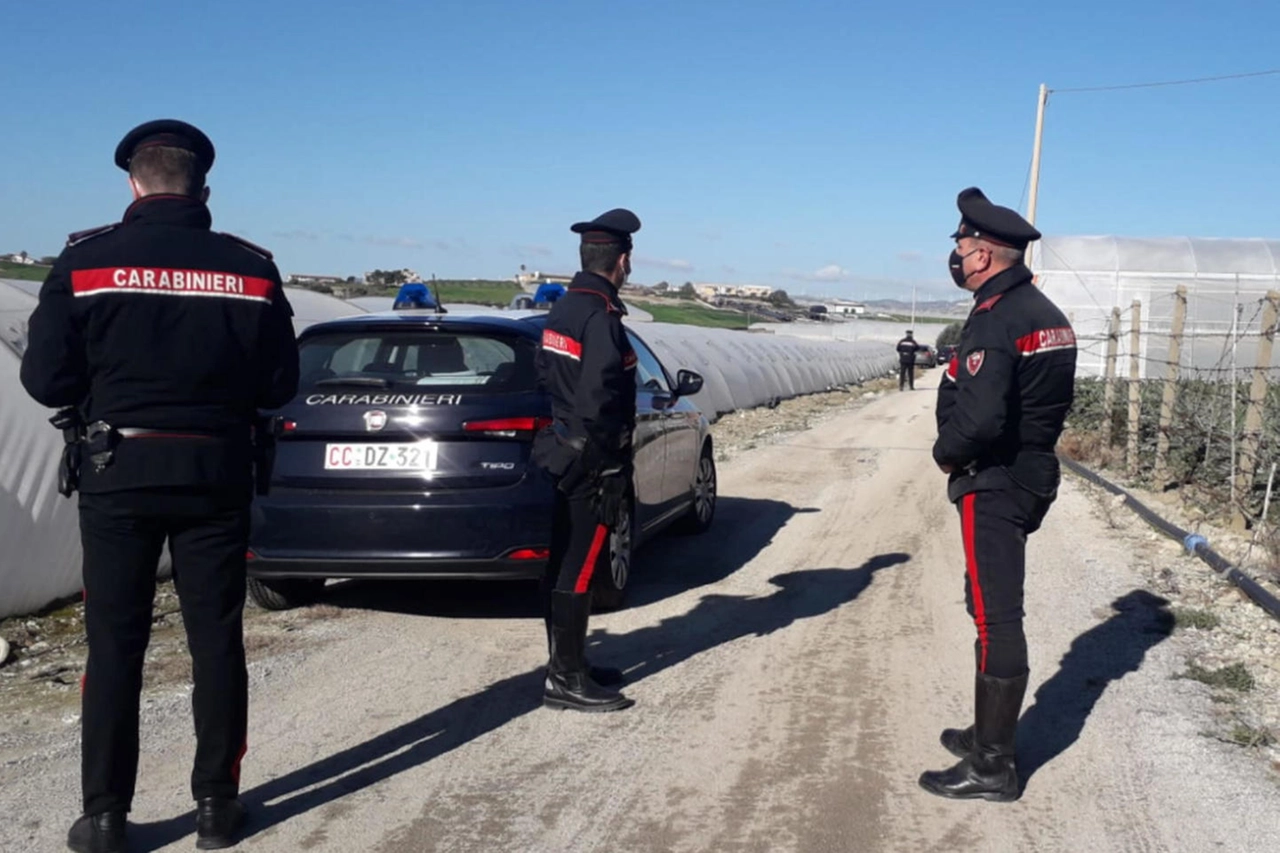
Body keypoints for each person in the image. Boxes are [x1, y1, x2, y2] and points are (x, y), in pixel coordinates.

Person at [19, 119, 300, 852]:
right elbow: (280, 383)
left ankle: (106, 817)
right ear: (203, 187)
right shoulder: (251, 268)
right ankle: (216, 807)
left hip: (118, 475)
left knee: (115, 643)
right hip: (216, 475)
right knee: (216, 638)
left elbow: (46, 376)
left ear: (132, 184)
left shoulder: (87, 261)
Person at [920, 187, 1076, 801]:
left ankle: (993, 765)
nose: (956, 256)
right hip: (1028, 472)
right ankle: (987, 732)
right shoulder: (1044, 311)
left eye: (960, 246)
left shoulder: (996, 318)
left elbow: (980, 420)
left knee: (995, 614)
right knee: (985, 603)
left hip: (996, 479)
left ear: (982, 256)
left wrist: (945, 454)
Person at [530, 208, 642, 713]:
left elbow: (549, 378)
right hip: (590, 461)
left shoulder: (564, 308)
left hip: (561, 448)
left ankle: (569, 660)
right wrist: (610, 466)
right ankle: (566, 677)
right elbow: (601, 396)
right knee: (579, 568)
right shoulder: (601, 315)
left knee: (562, 564)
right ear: (622, 260)